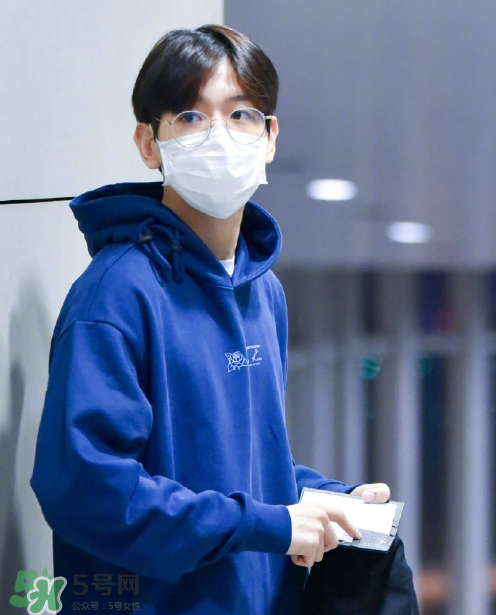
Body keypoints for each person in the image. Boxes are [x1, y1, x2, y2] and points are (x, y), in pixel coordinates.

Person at [31, 25, 402, 615]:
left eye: (241, 115)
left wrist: (329, 499)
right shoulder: (115, 294)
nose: (219, 136)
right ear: (148, 143)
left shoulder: (263, 291)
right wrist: (267, 524)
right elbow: (87, 489)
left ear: (270, 136)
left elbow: (239, 468)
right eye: (190, 117)